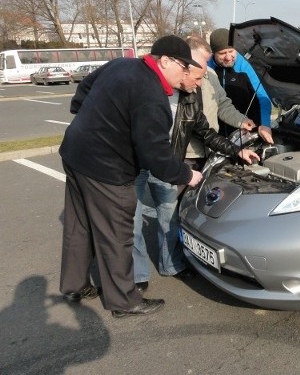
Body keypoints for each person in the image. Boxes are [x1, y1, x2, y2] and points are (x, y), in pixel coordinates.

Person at [59, 35, 204, 318]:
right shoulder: (152, 95)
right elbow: (156, 156)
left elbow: (84, 90)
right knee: (117, 235)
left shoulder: (121, 65)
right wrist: (186, 175)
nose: (186, 73)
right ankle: (123, 300)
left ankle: (74, 285)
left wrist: (88, 116)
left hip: (75, 153)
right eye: (183, 66)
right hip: (108, 170)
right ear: (165, 60)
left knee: (79, 225)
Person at [133, 36, 259, 291]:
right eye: (197, 76)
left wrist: (237, 151)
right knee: (131, 221)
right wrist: (183, 173)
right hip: (135, 163)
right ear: (183, 67)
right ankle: (134, 278)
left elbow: (207, 131)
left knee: (170, 214)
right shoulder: (148, 88)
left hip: (171, 160)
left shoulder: (190, 96)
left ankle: (172, 265)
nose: (200, 83)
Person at [184, 36, 263, 169]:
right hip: (187, 154)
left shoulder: (210, 74)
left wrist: (241, 120)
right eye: (203, 61)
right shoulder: (179, 81)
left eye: (207, 61)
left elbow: (222, 104)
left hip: (210, 149)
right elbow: (199, 128)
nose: (205, 65)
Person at [207, 28, 274, 143]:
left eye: (231, 51)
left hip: (248, 132)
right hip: (218, 136)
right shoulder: (207, 68)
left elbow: (263, 98)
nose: (228, 57)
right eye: (222, 53)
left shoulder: (245, 66)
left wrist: (265, 124)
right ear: (214, 53)